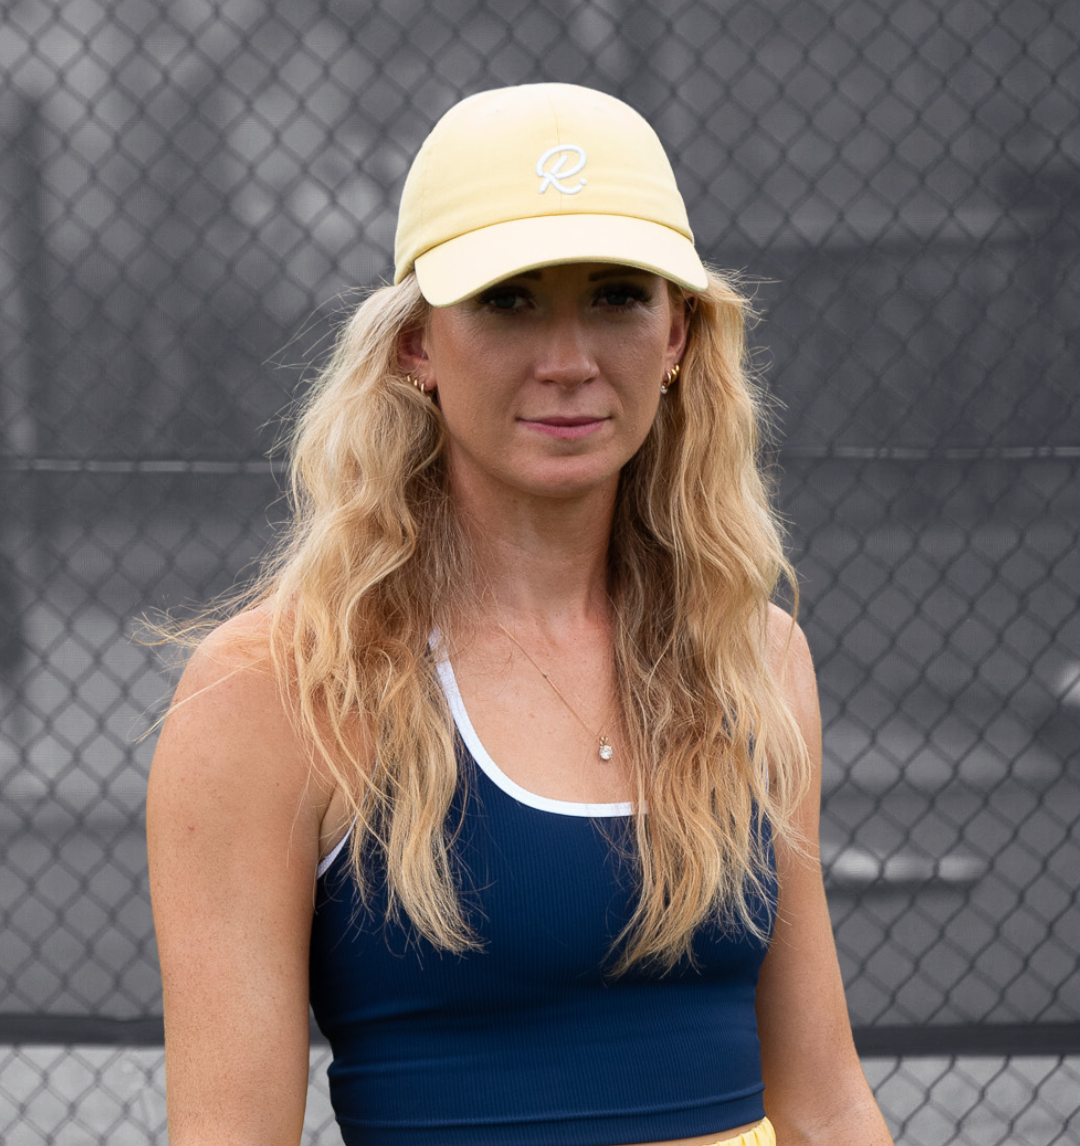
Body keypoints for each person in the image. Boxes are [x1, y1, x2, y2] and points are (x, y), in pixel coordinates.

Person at [147, 82, 894, 1146]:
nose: (569, 359)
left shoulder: (757, 659)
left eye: (616, 296)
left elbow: (822, 1101)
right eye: (508, 300)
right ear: (415, 347)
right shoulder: (275, 687)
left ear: (677, 332)